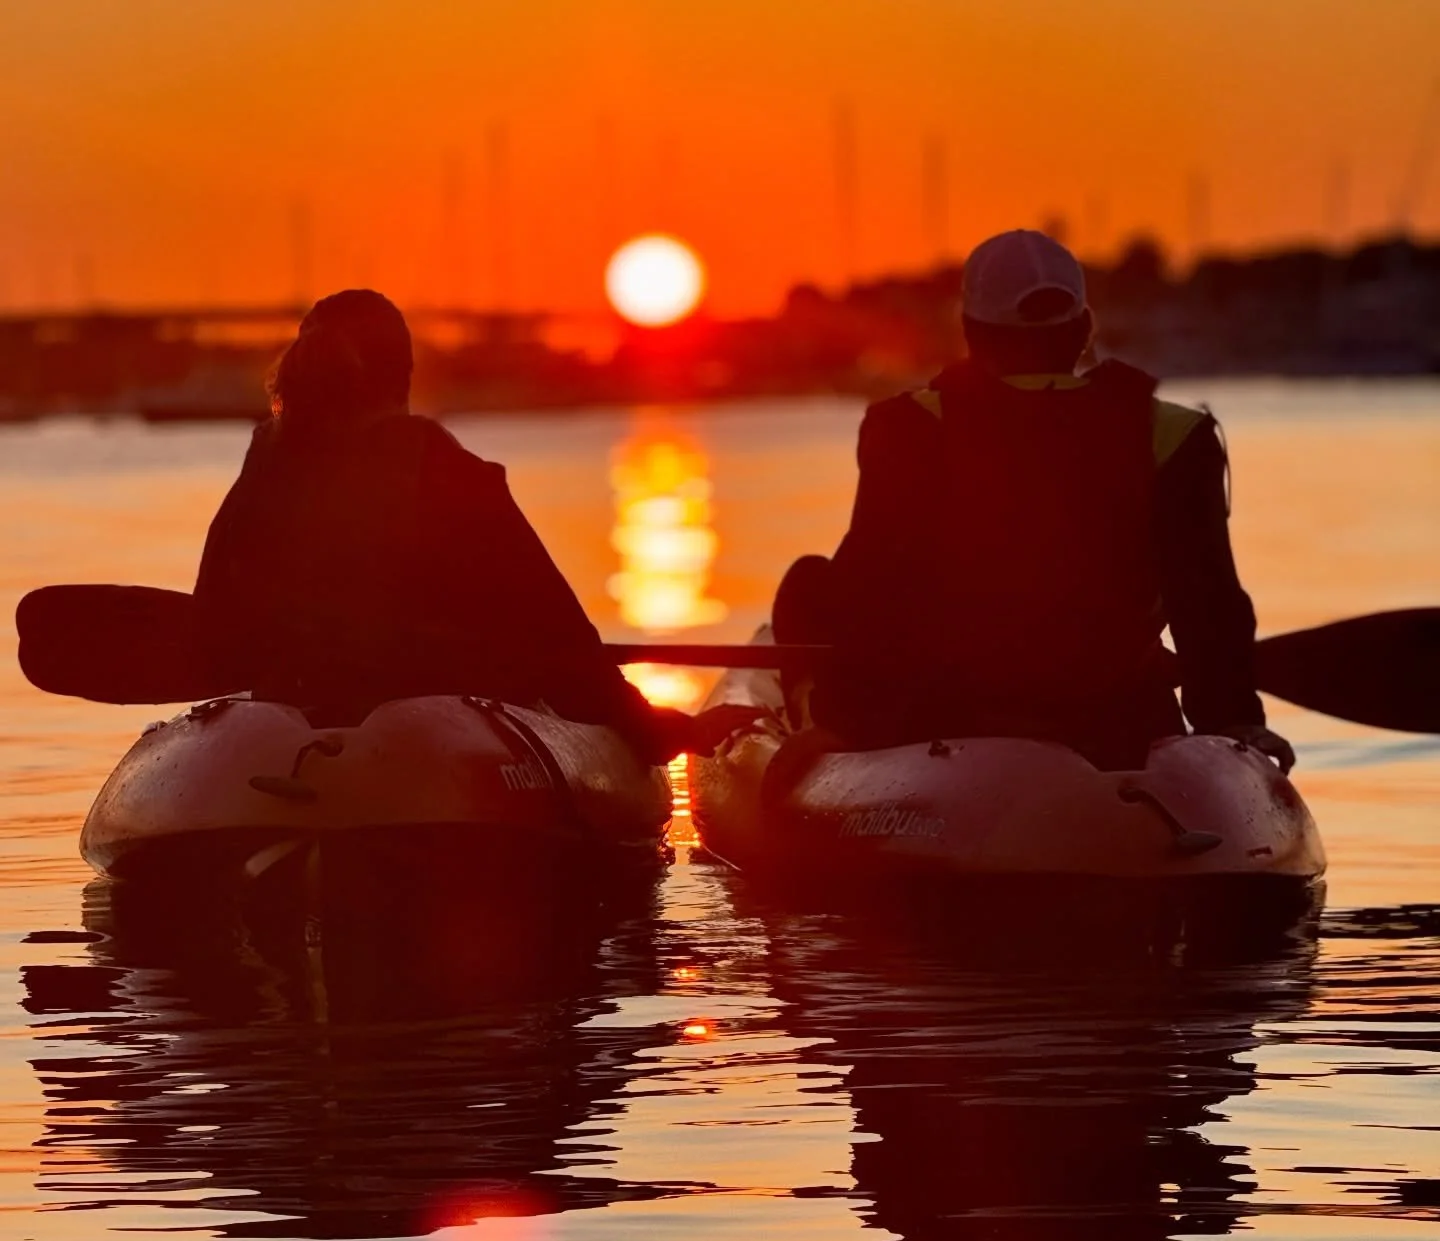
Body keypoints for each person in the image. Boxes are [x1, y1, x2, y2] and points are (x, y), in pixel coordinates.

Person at [775, 230, 1294, 773]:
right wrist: (1234, 719)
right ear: (1084, 329)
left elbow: (869, 589)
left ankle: (810, 716)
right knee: (814, 583)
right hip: (1122, 721)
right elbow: (1208, 604)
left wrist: (843, 721)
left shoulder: (909, 429)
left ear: (972, 333)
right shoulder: (1176, 436)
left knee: (808, 585)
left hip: (949, 719)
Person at [195, 290, 750, 760]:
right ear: (404, 377)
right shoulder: (444, 471)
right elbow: (561, 641)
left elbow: (214, 631)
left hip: (287, 730)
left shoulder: (264, 475)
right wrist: (667, 731)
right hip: (429, 742)